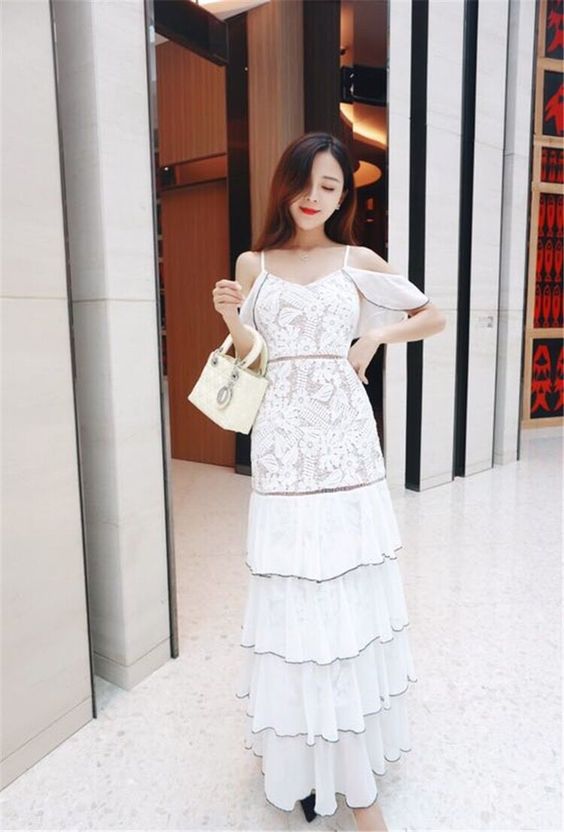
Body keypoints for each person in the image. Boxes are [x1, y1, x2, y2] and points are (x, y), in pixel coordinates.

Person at [212, 132, 446, 830]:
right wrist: (229, 316)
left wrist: (373, 337)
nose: (314, 198)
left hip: (346, 444)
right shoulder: (253, 263)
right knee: (293, 592)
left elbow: (431, 315)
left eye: (331, 186)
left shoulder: (356, 260)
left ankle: (353, 774)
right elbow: (252, 356)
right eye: (306, 182)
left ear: (344, 196)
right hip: (283, 445)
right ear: (284, 184)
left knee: (345, 589)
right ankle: (302, 755)